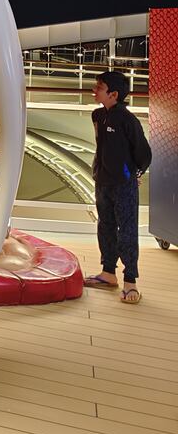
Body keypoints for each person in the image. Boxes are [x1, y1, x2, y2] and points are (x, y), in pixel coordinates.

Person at [84, 70, 151, 303]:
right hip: (103, 182)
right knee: (106, 226)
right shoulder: (97, 116)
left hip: (123, 185)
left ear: (113, 94)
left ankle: (130, 281)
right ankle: (108, 273)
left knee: (128, 231)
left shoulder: (127, 120)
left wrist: (134, 174)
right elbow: (101, 148)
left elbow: (143, 153)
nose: (94, 90)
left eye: (99, 87)